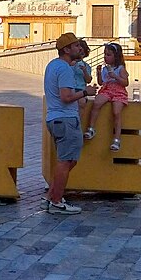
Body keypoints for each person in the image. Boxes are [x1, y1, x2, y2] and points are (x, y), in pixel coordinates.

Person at [43, 32, 96, 215]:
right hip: (65, 119)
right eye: (75, 46)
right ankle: (57, 202)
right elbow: (66, 97)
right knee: (66, 162)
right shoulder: (64, 69)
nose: (79, 48)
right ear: (66, 49)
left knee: (68, 160)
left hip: (55, 119)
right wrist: (85, 92)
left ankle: (51, 196)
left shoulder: (53, 65)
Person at [86, 42, 130, 151]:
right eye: (105, 54)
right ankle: (91, 128)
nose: (106, 57)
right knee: (97, 103)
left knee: (116, 112)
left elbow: (125, 83)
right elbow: (101, 82)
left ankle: (117, 139)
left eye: (109, 55)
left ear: (116, 56)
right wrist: (99, 73)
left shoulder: (120, 69)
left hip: (118, 91)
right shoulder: (105, 68)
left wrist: (115, 76)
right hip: (107, 90)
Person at [72, 40, 93, 110]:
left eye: (82, 54)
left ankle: (79, 119)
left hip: (81, 90)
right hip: (70, 88)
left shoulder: (86, 66)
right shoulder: (69, 64)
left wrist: (84, 71)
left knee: (82, 102)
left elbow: (88, 80)